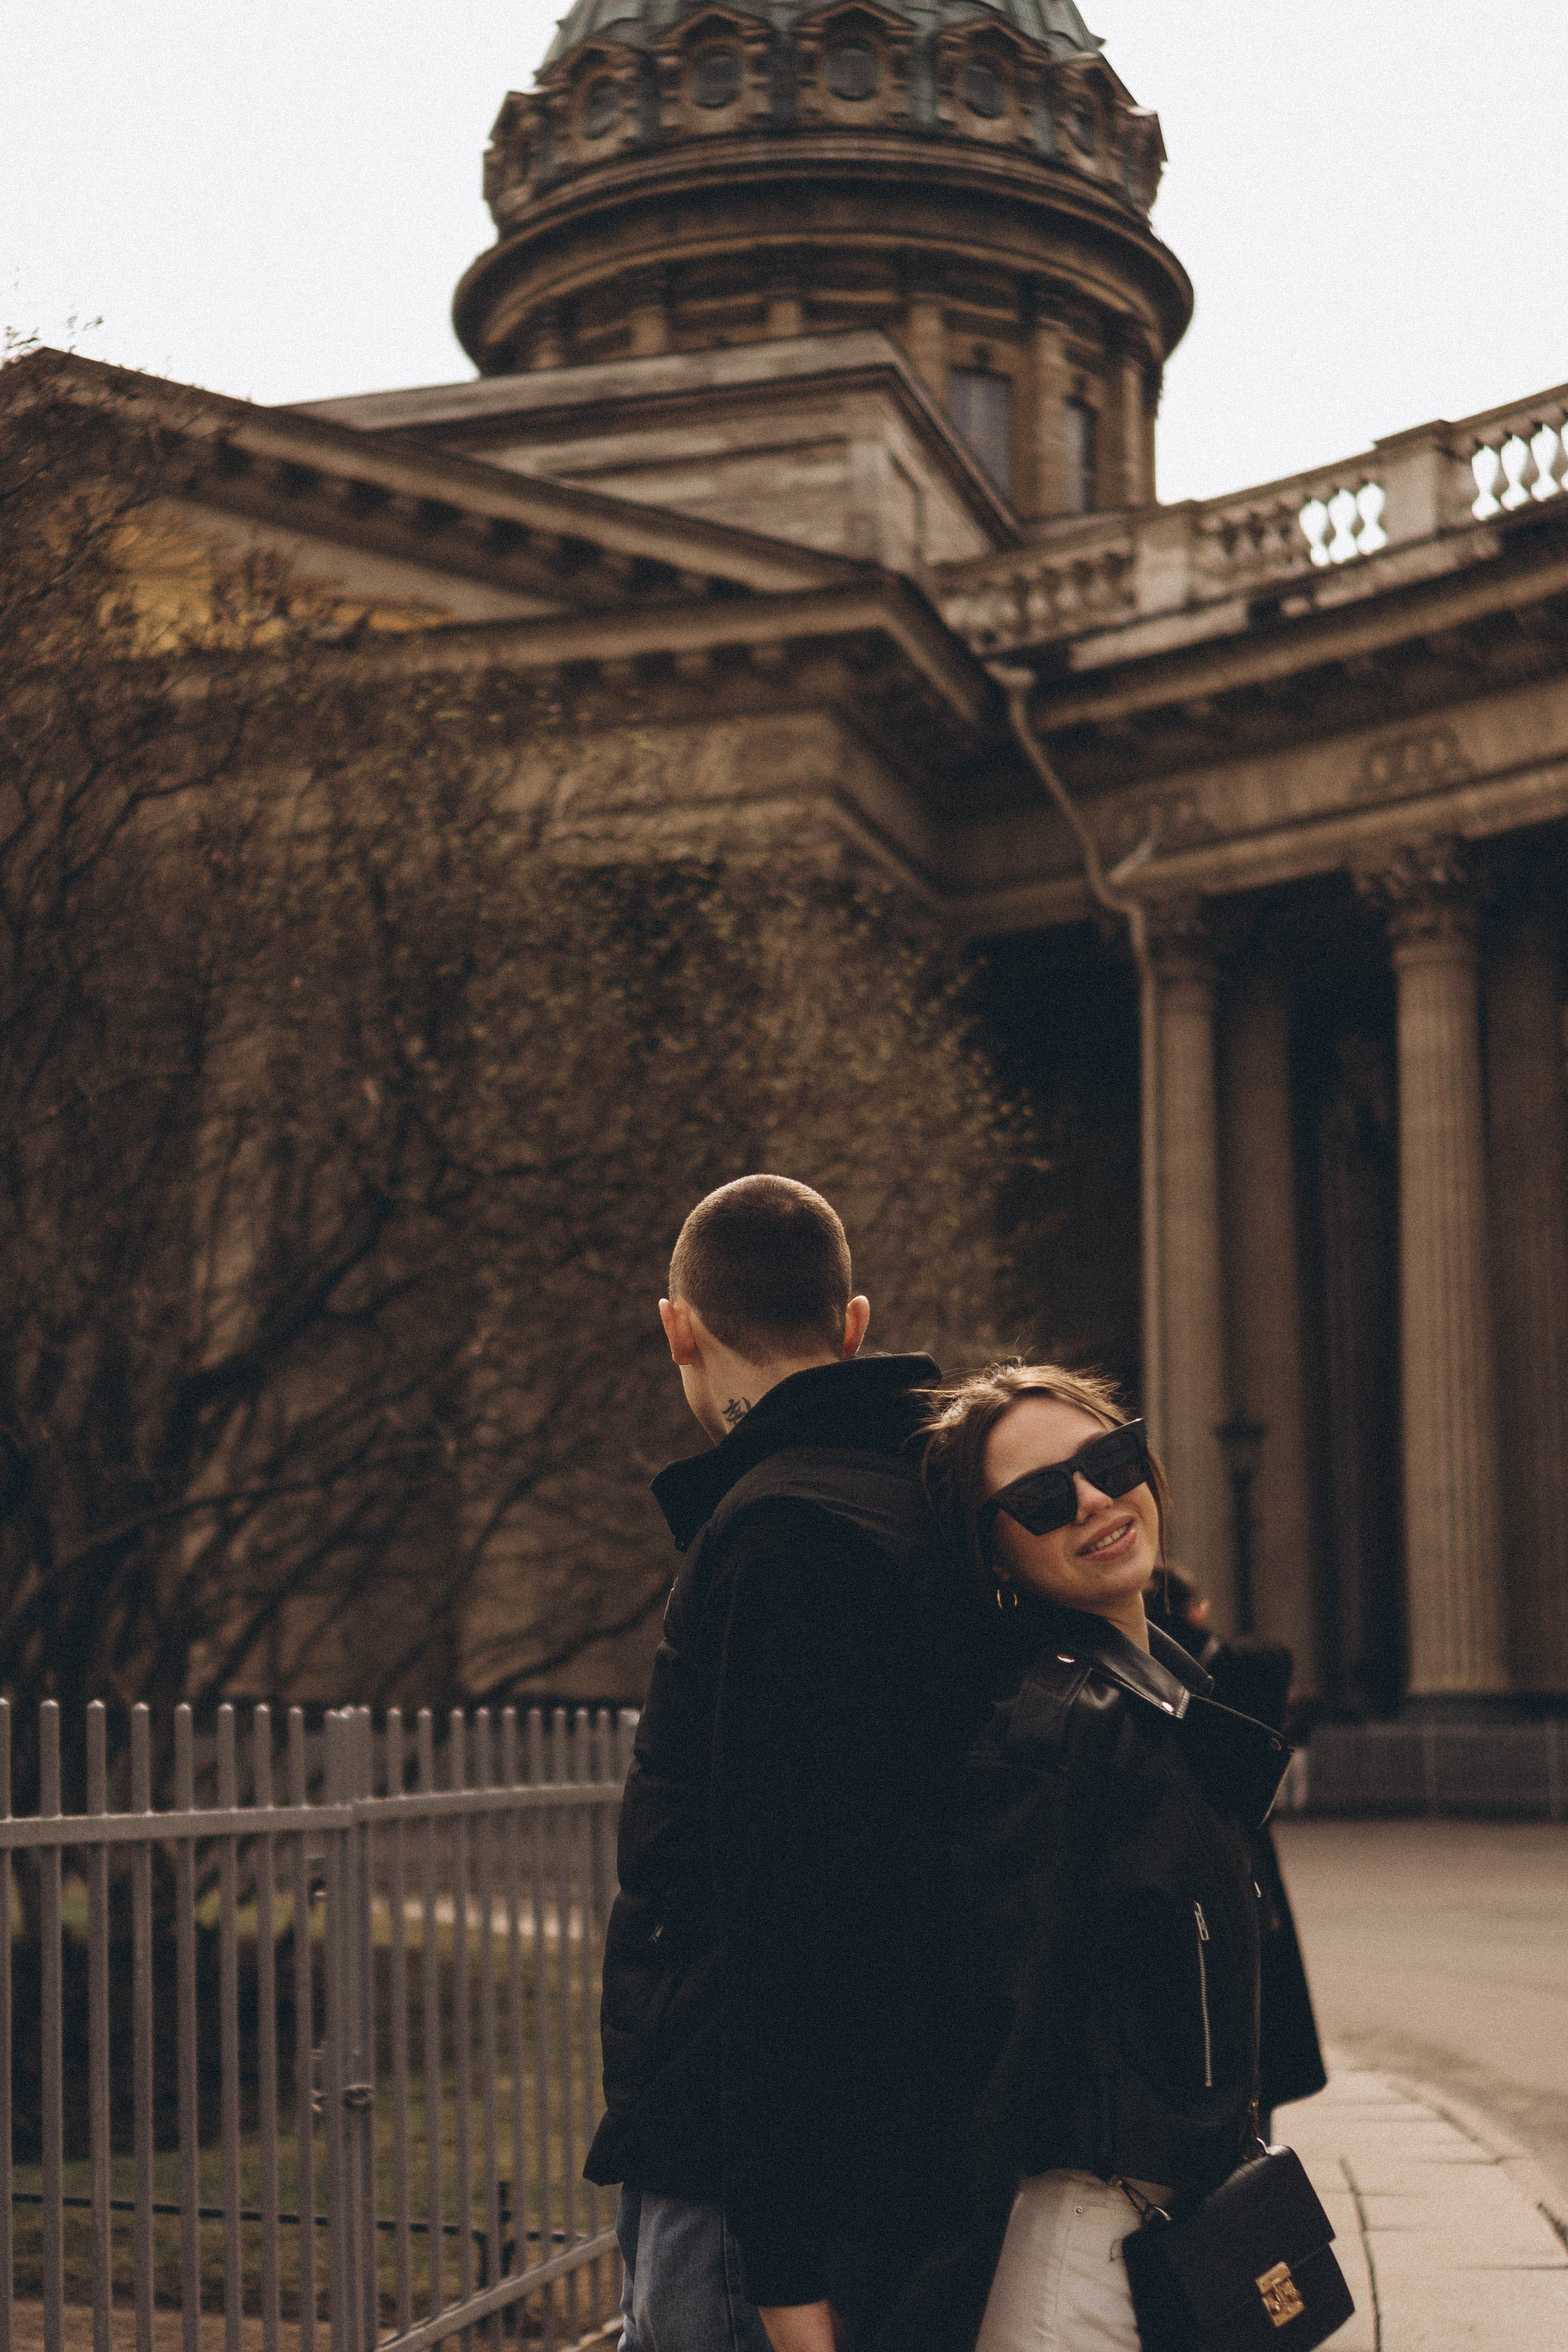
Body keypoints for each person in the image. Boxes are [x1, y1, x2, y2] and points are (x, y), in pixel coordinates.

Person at [586, 1175, 979, 2352]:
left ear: (679, 1329)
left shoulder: (777, 1544)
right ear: (853, 1321)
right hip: (903, 2152)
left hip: (743, 2201)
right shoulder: (931, 1508)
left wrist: (785, 2265)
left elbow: (781, 1926)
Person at [889, 1364, 1291, 2352]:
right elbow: (992, 2038)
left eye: (1108, 1459)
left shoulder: (1159, 1697)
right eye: (1037, 1497)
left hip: (1176, 2233)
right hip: (1086, 2259)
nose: (1094, 1500)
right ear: (997, 1556)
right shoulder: (1051, 1731)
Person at [1148, 1567, 1328, 2134]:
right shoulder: (1194, 1667)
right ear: (1193, 1612)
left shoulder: (1187, 1670)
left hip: (1222, 1876)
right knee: (1243, 2050)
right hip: (1229, 1877)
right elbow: (1272, 1657)